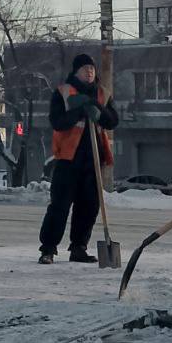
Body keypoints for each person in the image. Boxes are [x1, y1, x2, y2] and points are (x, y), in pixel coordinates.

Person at [38, 52, 119, 264]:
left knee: (89, 206)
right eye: (85, 69)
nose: (89, 72)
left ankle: (79, 248)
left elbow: (113, 121)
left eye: (92, 68)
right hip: (68, 159)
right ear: (76, 72)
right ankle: (48, 248)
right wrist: (79, 110)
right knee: (60, 205)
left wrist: (98, 110)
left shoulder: (102, 93)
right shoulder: (64, 92)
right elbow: (57, 122)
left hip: (93, 160)